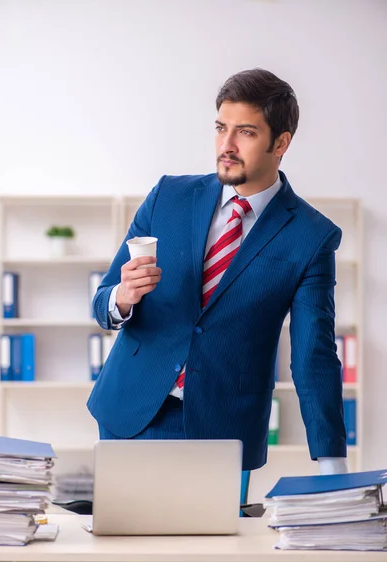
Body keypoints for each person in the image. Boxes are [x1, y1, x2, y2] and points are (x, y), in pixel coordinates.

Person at [88, 68, 347, 475]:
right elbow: (102, 303)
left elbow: (313, 355)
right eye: (220, 128)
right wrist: (122, 298)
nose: (226, 145)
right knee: (126, 538)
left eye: (245, 132)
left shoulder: (311, 237)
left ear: (281, 143)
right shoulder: (168, 197)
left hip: (223, 431)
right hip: (130, 414)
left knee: (215, 541)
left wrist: (333, 467)